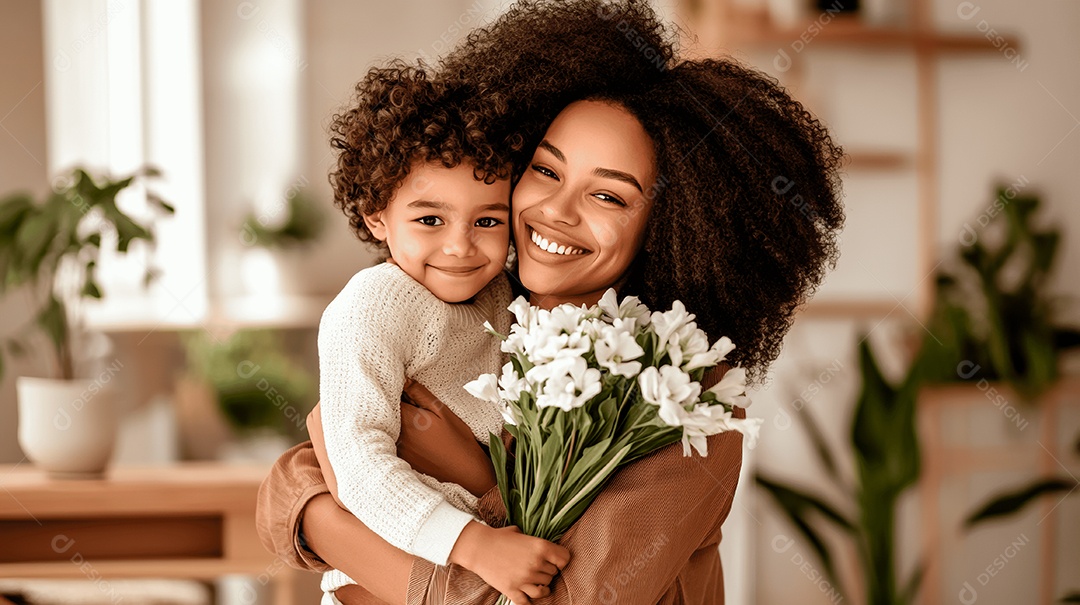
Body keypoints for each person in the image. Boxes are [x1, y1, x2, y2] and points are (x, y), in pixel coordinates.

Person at [256, 1, 844, 603]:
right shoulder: (482, 315)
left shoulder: (688, 403)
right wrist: (309, 503)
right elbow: (302, 471)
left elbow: (561, 600)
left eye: (609, 197)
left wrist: (336, 517)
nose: (557, 212)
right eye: (544, 170)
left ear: (674, 224)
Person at [313, 63, 569, 603]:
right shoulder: (371, 305)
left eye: (487, 221)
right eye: (430, 219)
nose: (460, 246)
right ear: (377, 214)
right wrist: (475, 546)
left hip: (485, 561)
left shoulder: (505, 293)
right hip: (383, 574)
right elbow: (357, 464)